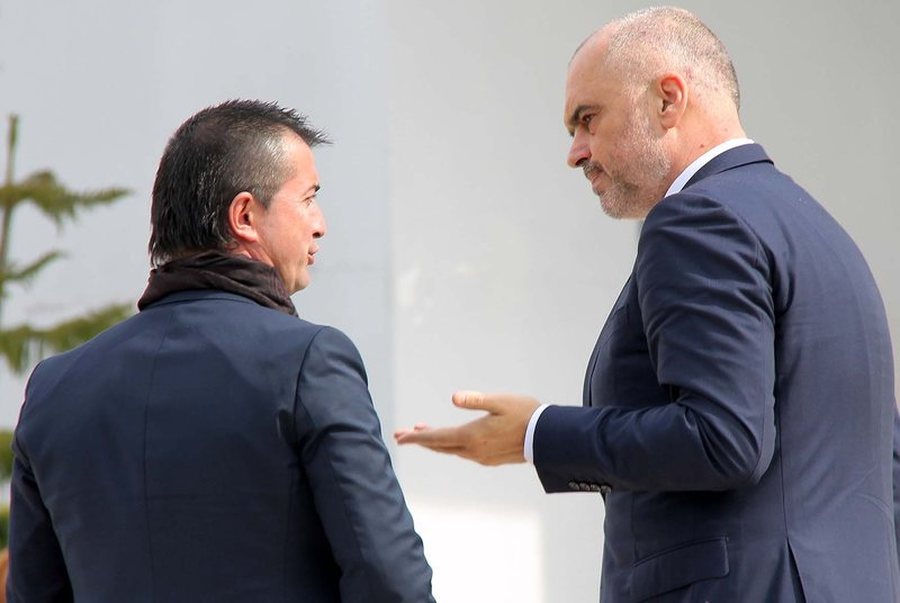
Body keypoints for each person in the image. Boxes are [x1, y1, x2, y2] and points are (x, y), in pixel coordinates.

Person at [396, 7, 899, 601]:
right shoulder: (821, 232)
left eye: (587, 119)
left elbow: (723, 440)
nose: (575, 152)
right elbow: (880, 465)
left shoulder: (697, 219)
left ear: (668, 99)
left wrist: (535, 434)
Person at [8, 99, 434, 602]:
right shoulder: (309, 362)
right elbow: (389, 581)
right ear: (245, 215)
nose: (320, 224)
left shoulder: (55, 388)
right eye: (308, 199)